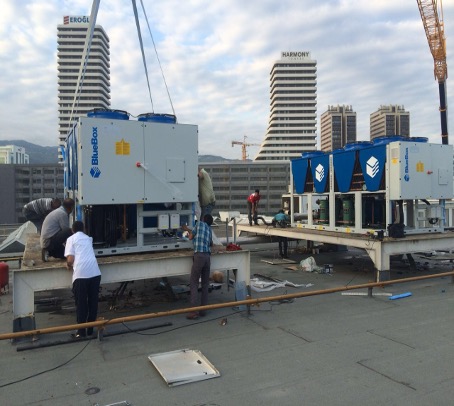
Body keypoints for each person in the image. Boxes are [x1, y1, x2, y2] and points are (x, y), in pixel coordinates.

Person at [65, 221, 101, 338]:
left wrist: (68, 265)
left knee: (81, 303)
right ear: (84, 229)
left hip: (81, 275)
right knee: (93, 302)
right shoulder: (88, 239)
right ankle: (90, 329)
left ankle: (81, 332)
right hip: (95, 273)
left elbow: (70, 259)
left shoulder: (71, 239)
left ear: (72, 230)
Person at [182, 214, 213, 320]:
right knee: (205, 284)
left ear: (203, 219)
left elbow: (190, 237)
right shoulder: (209, 229)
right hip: (207, 257)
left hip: (199, 256)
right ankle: (203, 311)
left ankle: (193, 311)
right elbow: (211, 243)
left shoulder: (199, 224)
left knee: (194, 282)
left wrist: (186, 229)